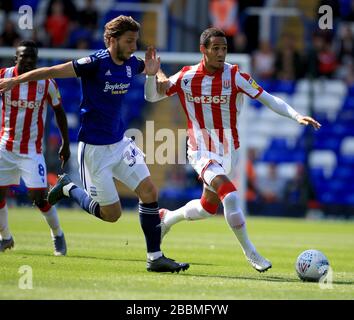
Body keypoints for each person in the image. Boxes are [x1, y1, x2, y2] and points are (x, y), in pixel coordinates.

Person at [0, 16, 189, 273]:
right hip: (94, 151)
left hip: (120, 143)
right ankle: (68, 188)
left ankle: (155, 258)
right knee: (112, 215)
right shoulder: (94, 63)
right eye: (129, 41)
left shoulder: (131, 63)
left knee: (149, 192)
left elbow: (150, 67)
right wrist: (15, 81)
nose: (134, 46)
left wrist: (160, 75)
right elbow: (52, 71)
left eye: (136, 41)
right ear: (112, 40)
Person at [144, 28, 321, 272]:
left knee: (207, 208)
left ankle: (167, 218)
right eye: (215, 48)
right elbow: (153, 97)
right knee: (232, 195)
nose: (220, 53)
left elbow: (268, 98)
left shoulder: (236, 76)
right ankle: (251, 252)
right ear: (203, 50)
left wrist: (296, 115)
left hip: (228, 152)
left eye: (224, 48)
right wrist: (151, 77)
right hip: (200, 151)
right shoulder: (187, 76)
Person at [0, 40, 70, 256]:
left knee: (39, 198)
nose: (29, 61)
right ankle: (5, 238)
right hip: (5, 146)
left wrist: (65, 143)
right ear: (16, 58)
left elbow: (59, 111)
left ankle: (57, 234)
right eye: (24, 57)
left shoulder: (46, 83)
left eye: (33, 58)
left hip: (31, 150)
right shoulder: (4, 76)